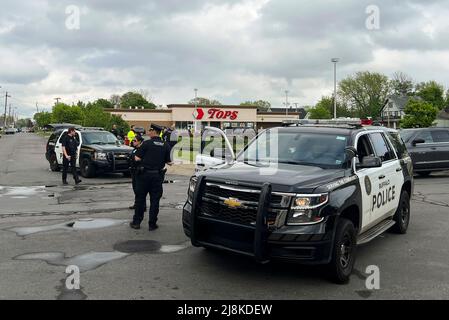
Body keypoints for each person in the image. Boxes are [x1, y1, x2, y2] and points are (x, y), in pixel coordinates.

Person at [130, 124, 173, 231]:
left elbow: (137, 158)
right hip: (157, 176)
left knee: (140, 199)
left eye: (150, 130)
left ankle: (136, 223)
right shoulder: (165, 145)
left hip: (144, 176)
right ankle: (152, 224)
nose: (148, 131)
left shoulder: (146, 144)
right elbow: (169, 162)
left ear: (154, 131)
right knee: (155, 201)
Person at [128, 135, 146, 210]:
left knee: (140, 190)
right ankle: (137, 204)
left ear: (139, 142)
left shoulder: (142, 149)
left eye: (135, 140)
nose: (133, 142)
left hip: (139, 171)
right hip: (133, 171)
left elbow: (139, 160)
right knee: (135, 188)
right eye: (133, 140)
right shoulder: (134, 149)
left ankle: (143, 206)